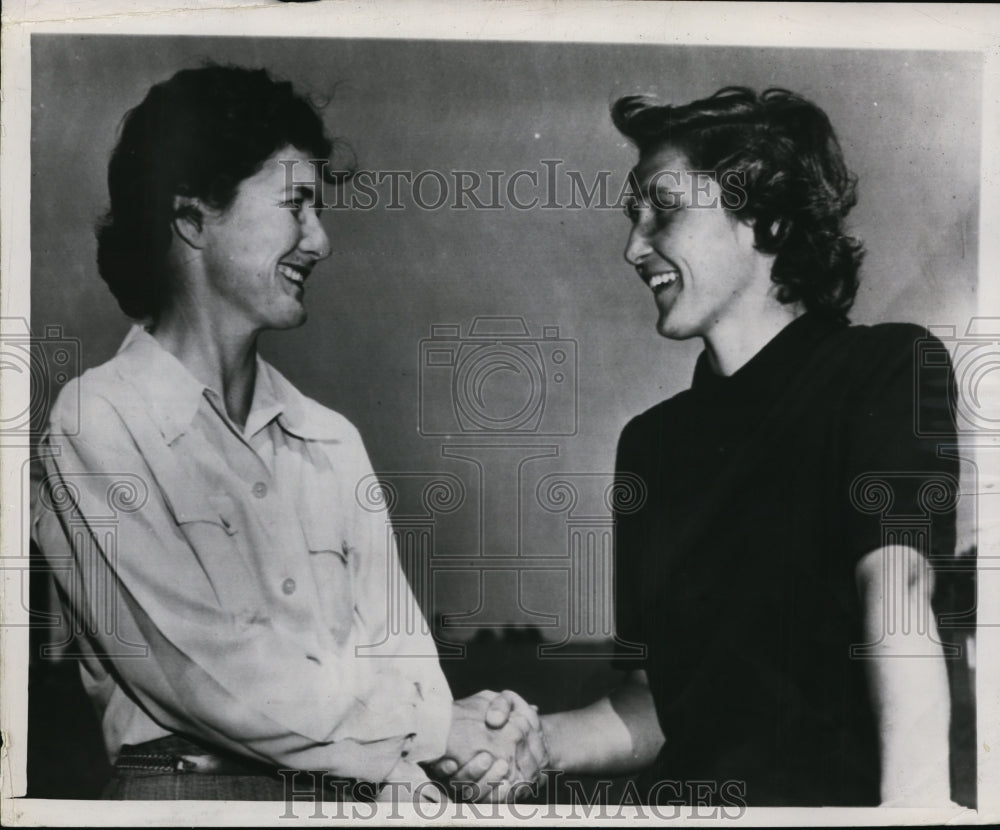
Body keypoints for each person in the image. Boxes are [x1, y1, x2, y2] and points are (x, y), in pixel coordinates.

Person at [31, 63, 542, 802]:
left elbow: (401, 656)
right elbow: (212, 677)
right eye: (296, 205)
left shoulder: (331, 439)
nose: (321, 241)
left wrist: (451, 749)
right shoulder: (98, 420)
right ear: (192, 217)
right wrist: (440, 733)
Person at [439, 86, 959, 806]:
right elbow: (655, 702)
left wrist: (915, 810)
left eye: (665, 208)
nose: (632, 246)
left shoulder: (884, 367)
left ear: (767, 216)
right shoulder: (651, 444)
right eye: (633, 215)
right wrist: (537, 745)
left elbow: (898, 593)